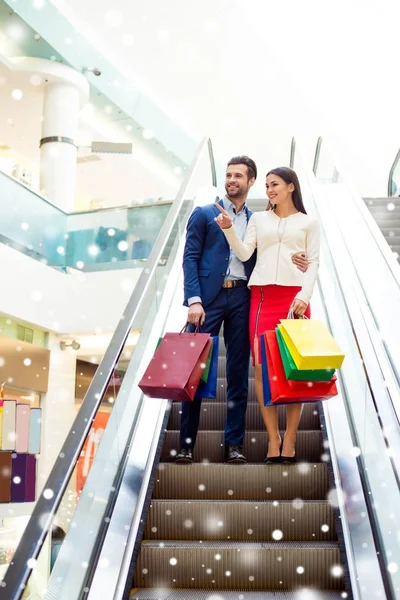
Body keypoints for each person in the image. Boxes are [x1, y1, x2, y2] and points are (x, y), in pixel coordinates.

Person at [175, 158, 308, 464]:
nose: (232, 179)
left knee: (238, 373)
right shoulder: (205, 213)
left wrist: (302, 262)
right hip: (207, 301)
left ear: (251, 182)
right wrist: (193, 299)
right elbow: (190, 257)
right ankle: (185, 445)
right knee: (195, 371)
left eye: (239, 176)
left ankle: (234, 444)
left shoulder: (258, 220)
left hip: (242, 300)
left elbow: (272, 254)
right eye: (228, 175)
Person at [215, 166, 320, 463]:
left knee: (293, 369)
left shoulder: (309, 223)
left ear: (290, 187)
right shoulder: (259, 219)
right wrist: (228, 229)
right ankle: (273, 438)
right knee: (262, 368)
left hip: (294, 300)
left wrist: (304, 295)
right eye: (267, 186)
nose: (269, 190)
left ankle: (291, 438)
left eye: (274, 185)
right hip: (262, 298)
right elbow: (246, 253)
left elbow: (314, 262)